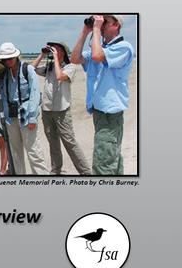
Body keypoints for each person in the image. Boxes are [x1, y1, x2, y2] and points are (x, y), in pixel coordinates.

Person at [71, 15, 134, 175]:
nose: (102, 24)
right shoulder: (99, 47)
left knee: (103, 163)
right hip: (99, 111)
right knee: (112, 158)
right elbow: (74, 58)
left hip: (110, 114)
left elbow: (97, 57)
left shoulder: (124, 47)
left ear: (117, 25)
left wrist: (97, 29)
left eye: (106, 21)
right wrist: (85, 32)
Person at [33, 42, 91, 175]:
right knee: (53, 143)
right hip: (47, 110)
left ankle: (86, 172)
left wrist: (56, 59)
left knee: (69, 142)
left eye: (57, 49)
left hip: (62, 110)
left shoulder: (70, 67)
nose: (54, 51)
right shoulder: (49, 66)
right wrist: (42, 54)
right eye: (52, 49)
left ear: (63, 52)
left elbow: (60, 76)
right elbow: (31, 69)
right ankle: (56, 171)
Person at [0, 42, 48, 175]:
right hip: (10, 118)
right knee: (15, 153)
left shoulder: (27, 69)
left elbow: (35, 94)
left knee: (34, 152)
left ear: (16, 57)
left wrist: (32, 117)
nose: (7, 62)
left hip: (26, 116)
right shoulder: (3, 73)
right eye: (4, 59)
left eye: (10, 58)